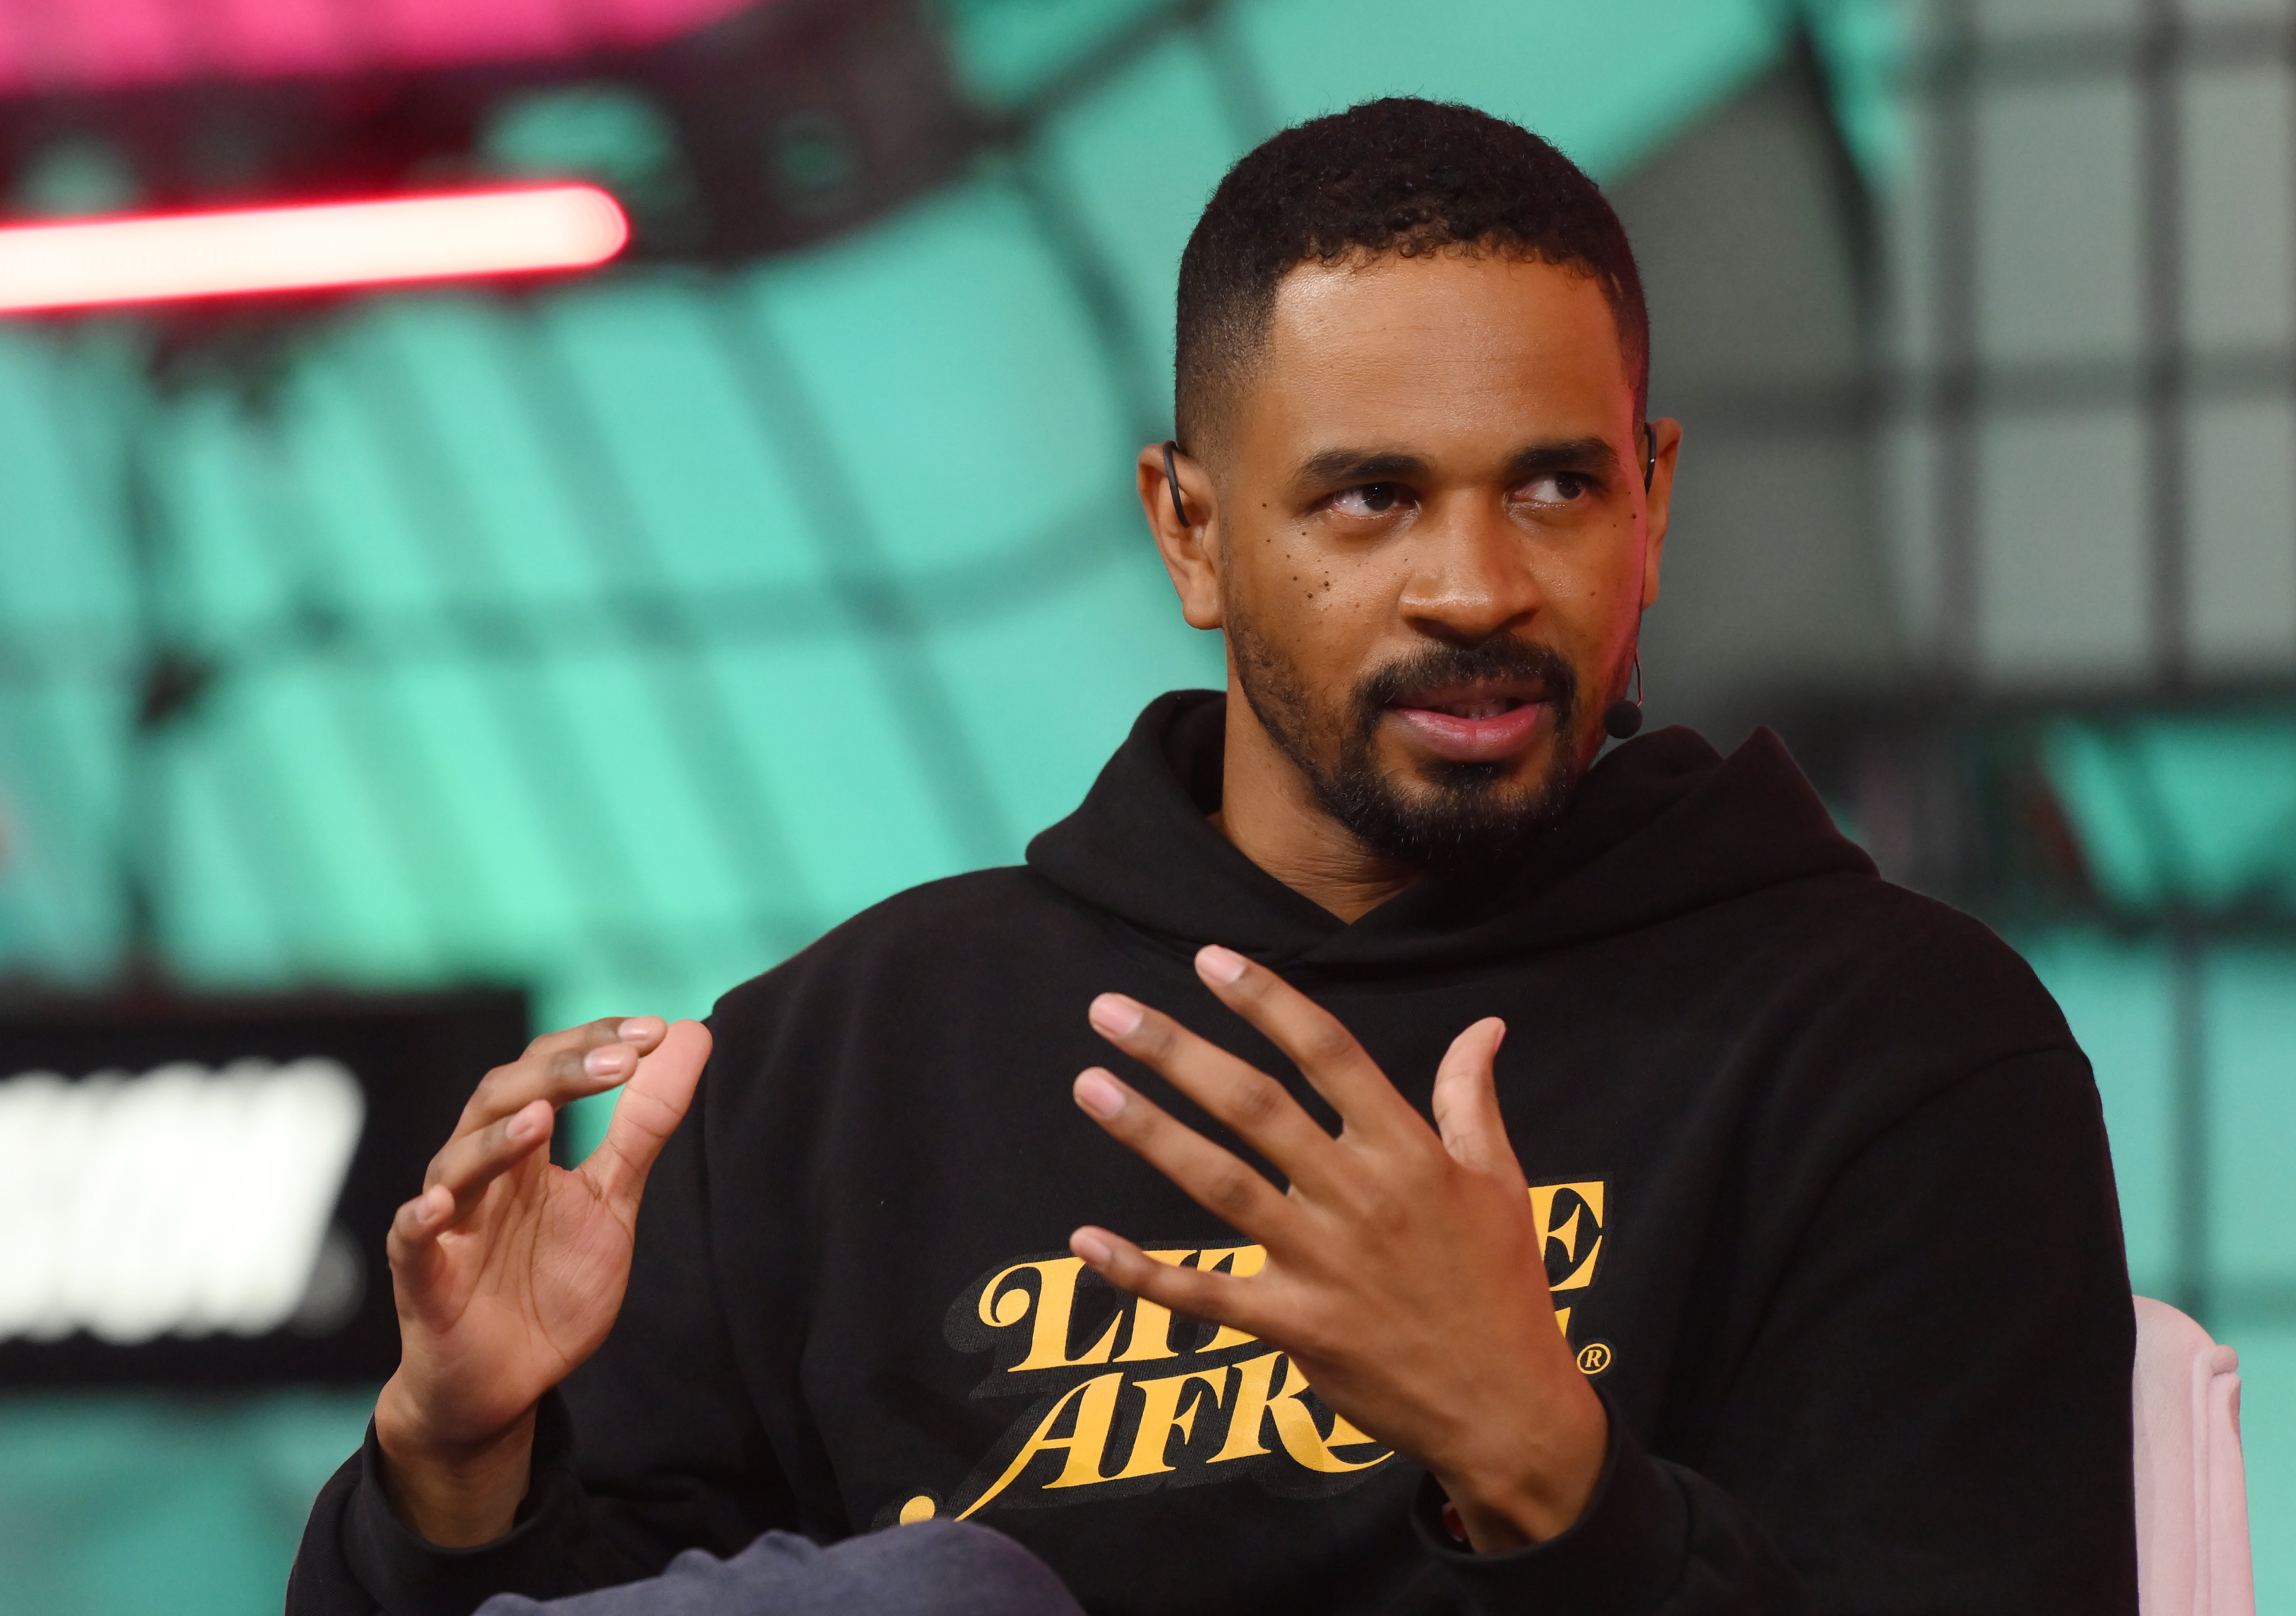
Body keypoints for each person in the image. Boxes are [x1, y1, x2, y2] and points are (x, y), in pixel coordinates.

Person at [288, 98, 2137, 1616]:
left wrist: (1542, 1464)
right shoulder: (842, 1053)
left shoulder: (1891, 1042)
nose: (1475, 584)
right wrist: (455, 1471)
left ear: (1652, 502)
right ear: (1188, 529)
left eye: (1553, 487)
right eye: (1369, 497)